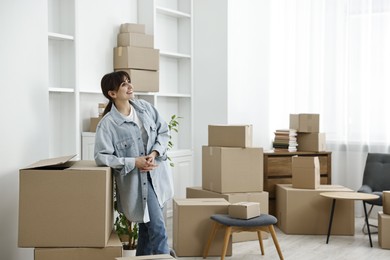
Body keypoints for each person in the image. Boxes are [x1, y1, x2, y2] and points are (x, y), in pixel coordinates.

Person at [94, 71, 175, 256]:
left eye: (129, 82)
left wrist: (154, 153)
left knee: (146, 232)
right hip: (136, 185)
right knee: (158, 230)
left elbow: (163, 132)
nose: (130, 86)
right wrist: (133, 162)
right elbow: (101, 157)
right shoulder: (107, 125)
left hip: (157, 177)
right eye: (124, 84)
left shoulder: (145, 108)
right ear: (112, 94)